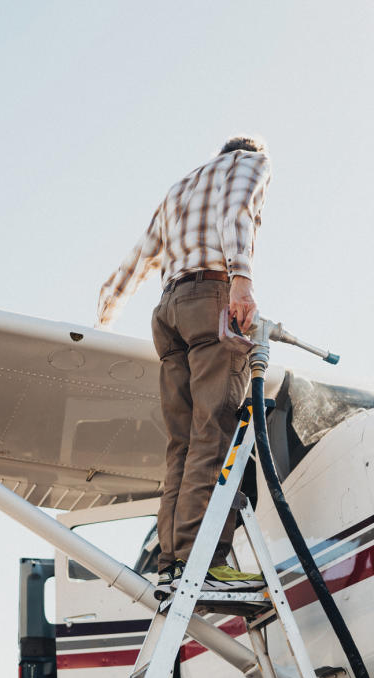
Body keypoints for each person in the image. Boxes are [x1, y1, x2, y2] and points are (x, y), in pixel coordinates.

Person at [96, 136, 272, 595]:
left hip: (168, 310)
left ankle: (172, 560)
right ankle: (204, 561)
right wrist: (242, 281)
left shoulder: (179, 189)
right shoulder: (250, 162)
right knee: (214, 430)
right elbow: (236, 213)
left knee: (182, 442)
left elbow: (139, 256)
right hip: (212, 299)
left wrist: (108, 311)